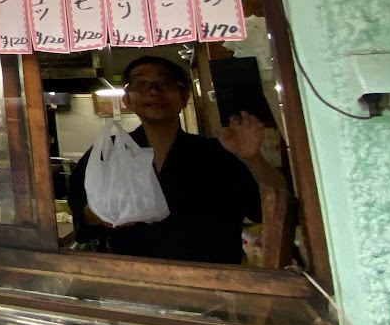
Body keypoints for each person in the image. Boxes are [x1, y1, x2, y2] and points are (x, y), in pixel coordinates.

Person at [67, 55, 283, 265]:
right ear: (127, 100)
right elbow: (81, 215)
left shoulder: (219, 152)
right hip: (132, 278)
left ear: (184, 96)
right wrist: (94, 215)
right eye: (141, 84)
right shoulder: (109, 152)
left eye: (164, 82)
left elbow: (273, 209)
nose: (153, 91)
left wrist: (254, 158)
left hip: (215, 281)